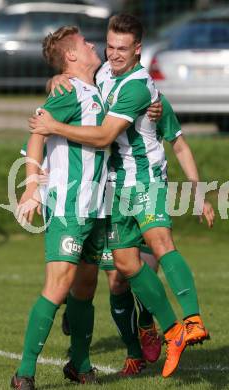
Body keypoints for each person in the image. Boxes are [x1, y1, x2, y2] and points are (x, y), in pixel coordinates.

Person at [30, 14, 215, 378]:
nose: (112, 54)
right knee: (124, 267)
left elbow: (107, 136)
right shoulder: (101, 76)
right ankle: (150, 332)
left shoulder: (138, 86)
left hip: (144, 180)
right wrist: (57, 78)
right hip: (110, 187)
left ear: (138, 50)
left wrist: (199, 193)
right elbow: (76, 83)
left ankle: (190, 321)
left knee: (159, 243)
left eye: (121, 49)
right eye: (109, 45)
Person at [11, 26, 109, 389]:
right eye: (85, 43)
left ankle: (79, 365)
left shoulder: (94, 88)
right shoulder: (70, 92)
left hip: (96, 208)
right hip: (68, 206)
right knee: (58, 285)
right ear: (71, 56)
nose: (92, 45)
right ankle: (24, 373)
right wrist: (31, 187)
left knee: (85, 287)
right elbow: (36, 134)